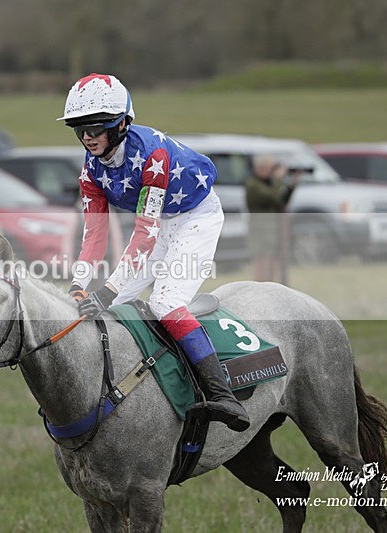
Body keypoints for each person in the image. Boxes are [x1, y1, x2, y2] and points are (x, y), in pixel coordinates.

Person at [60, 73, 249, 432]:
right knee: (112, 308)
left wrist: (108, 289)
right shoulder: (90, 170)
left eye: (96, 127)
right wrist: (79, 286)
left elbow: (144, 235)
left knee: (164, 302)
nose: (87, 136)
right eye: (79, 128)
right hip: (162, 222)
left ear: (121, 125)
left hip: (197, 217)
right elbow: (94, 236)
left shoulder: (153, 156)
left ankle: (223, 394)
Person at [244, 154, 299, 282]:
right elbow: (272, 196)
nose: (272, 171)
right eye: (270, 168)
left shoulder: (269, 183)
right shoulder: (253, 184)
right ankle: (259, 290)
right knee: (262, 265)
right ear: (261, 168)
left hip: (272, 231)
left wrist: (292, 184)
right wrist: (278, 179)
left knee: (271, 266)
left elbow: (281, 202)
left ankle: (269, 288)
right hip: (259, 231)